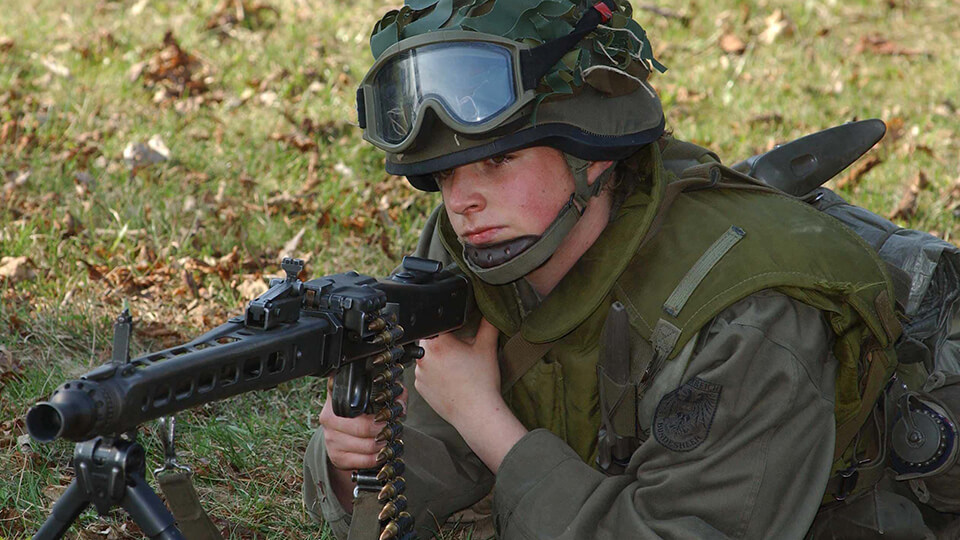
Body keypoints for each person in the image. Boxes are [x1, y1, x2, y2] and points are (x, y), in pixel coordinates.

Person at [303, 1, 957, 538]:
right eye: (442, 174)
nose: (462, 200)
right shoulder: (489, 243)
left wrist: (483, 418)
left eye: (498, 162)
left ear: (593, 156)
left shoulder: (745, 318)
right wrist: (353, 456)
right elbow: (401, 497)